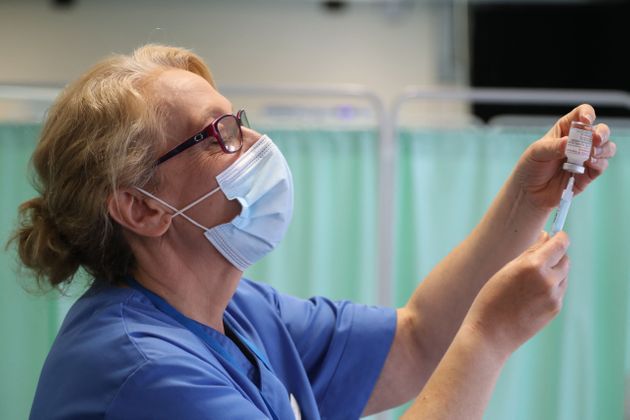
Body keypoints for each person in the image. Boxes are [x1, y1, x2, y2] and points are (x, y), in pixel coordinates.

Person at [10, 44, 615, 420]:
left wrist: (525, 199)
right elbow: (451, 341)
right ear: (140, 208)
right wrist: (487, 339)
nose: (253, 143)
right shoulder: (144, 374)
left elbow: (415, 343)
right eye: (216, 133)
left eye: (238, 121)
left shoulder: (237, 313)